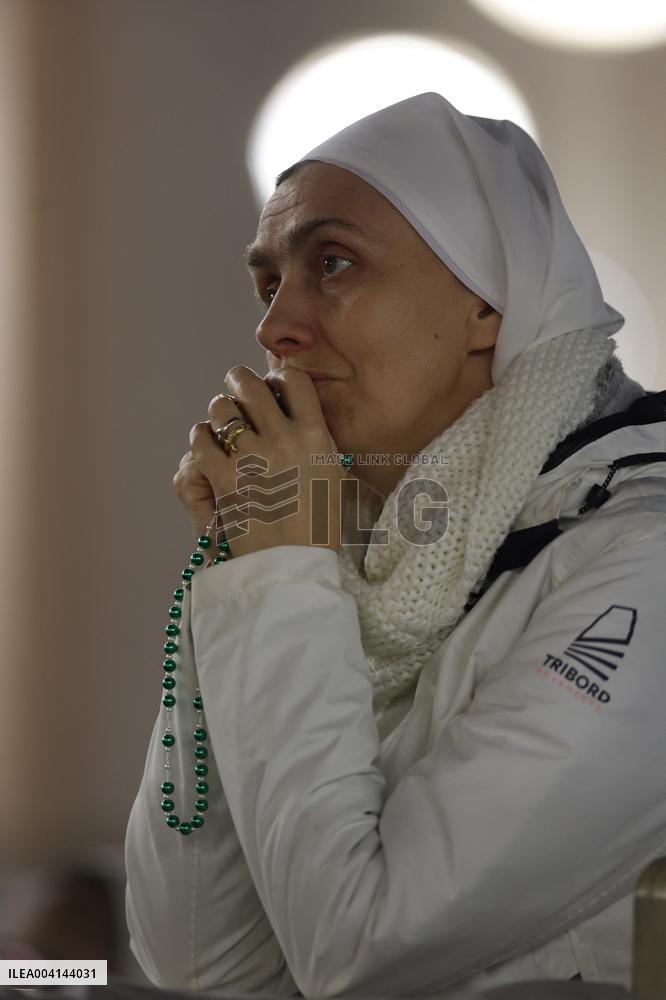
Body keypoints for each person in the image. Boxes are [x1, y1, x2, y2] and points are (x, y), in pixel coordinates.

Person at [124, 92, 666, 998]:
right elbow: (198, 954)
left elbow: (362, 951)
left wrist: (281, 576)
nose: (273, 329)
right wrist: (242, 566)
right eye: (268, 282)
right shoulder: (350, 552)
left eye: (332, 263)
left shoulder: (639, 552)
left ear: (489, 305)